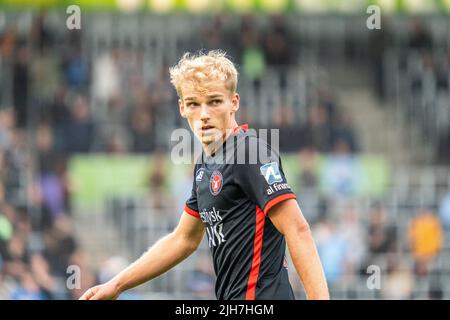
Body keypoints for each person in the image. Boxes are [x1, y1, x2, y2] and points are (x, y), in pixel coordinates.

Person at [80, 50, 329, 300]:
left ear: (234, 102)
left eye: (214, 101)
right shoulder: (205, 165)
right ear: (182, 108)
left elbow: (298, 229)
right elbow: (183, 240)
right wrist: (116, 285)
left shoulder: (249, 152)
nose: (204, 114)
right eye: (193, 104)